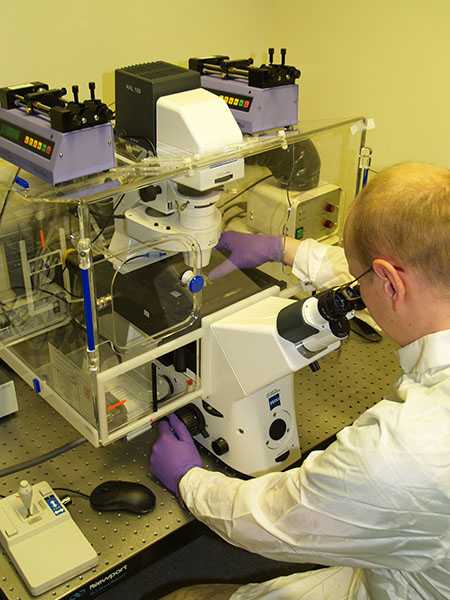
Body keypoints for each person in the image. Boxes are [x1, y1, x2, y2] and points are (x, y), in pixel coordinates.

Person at [150, 162, 450, 600]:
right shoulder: (433, 270)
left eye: (361, 278)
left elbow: (276, 518)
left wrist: (188, 480)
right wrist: (283, 249)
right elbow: (402, 275)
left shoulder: (403, 448)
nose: (354, 290)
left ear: (387, 280)